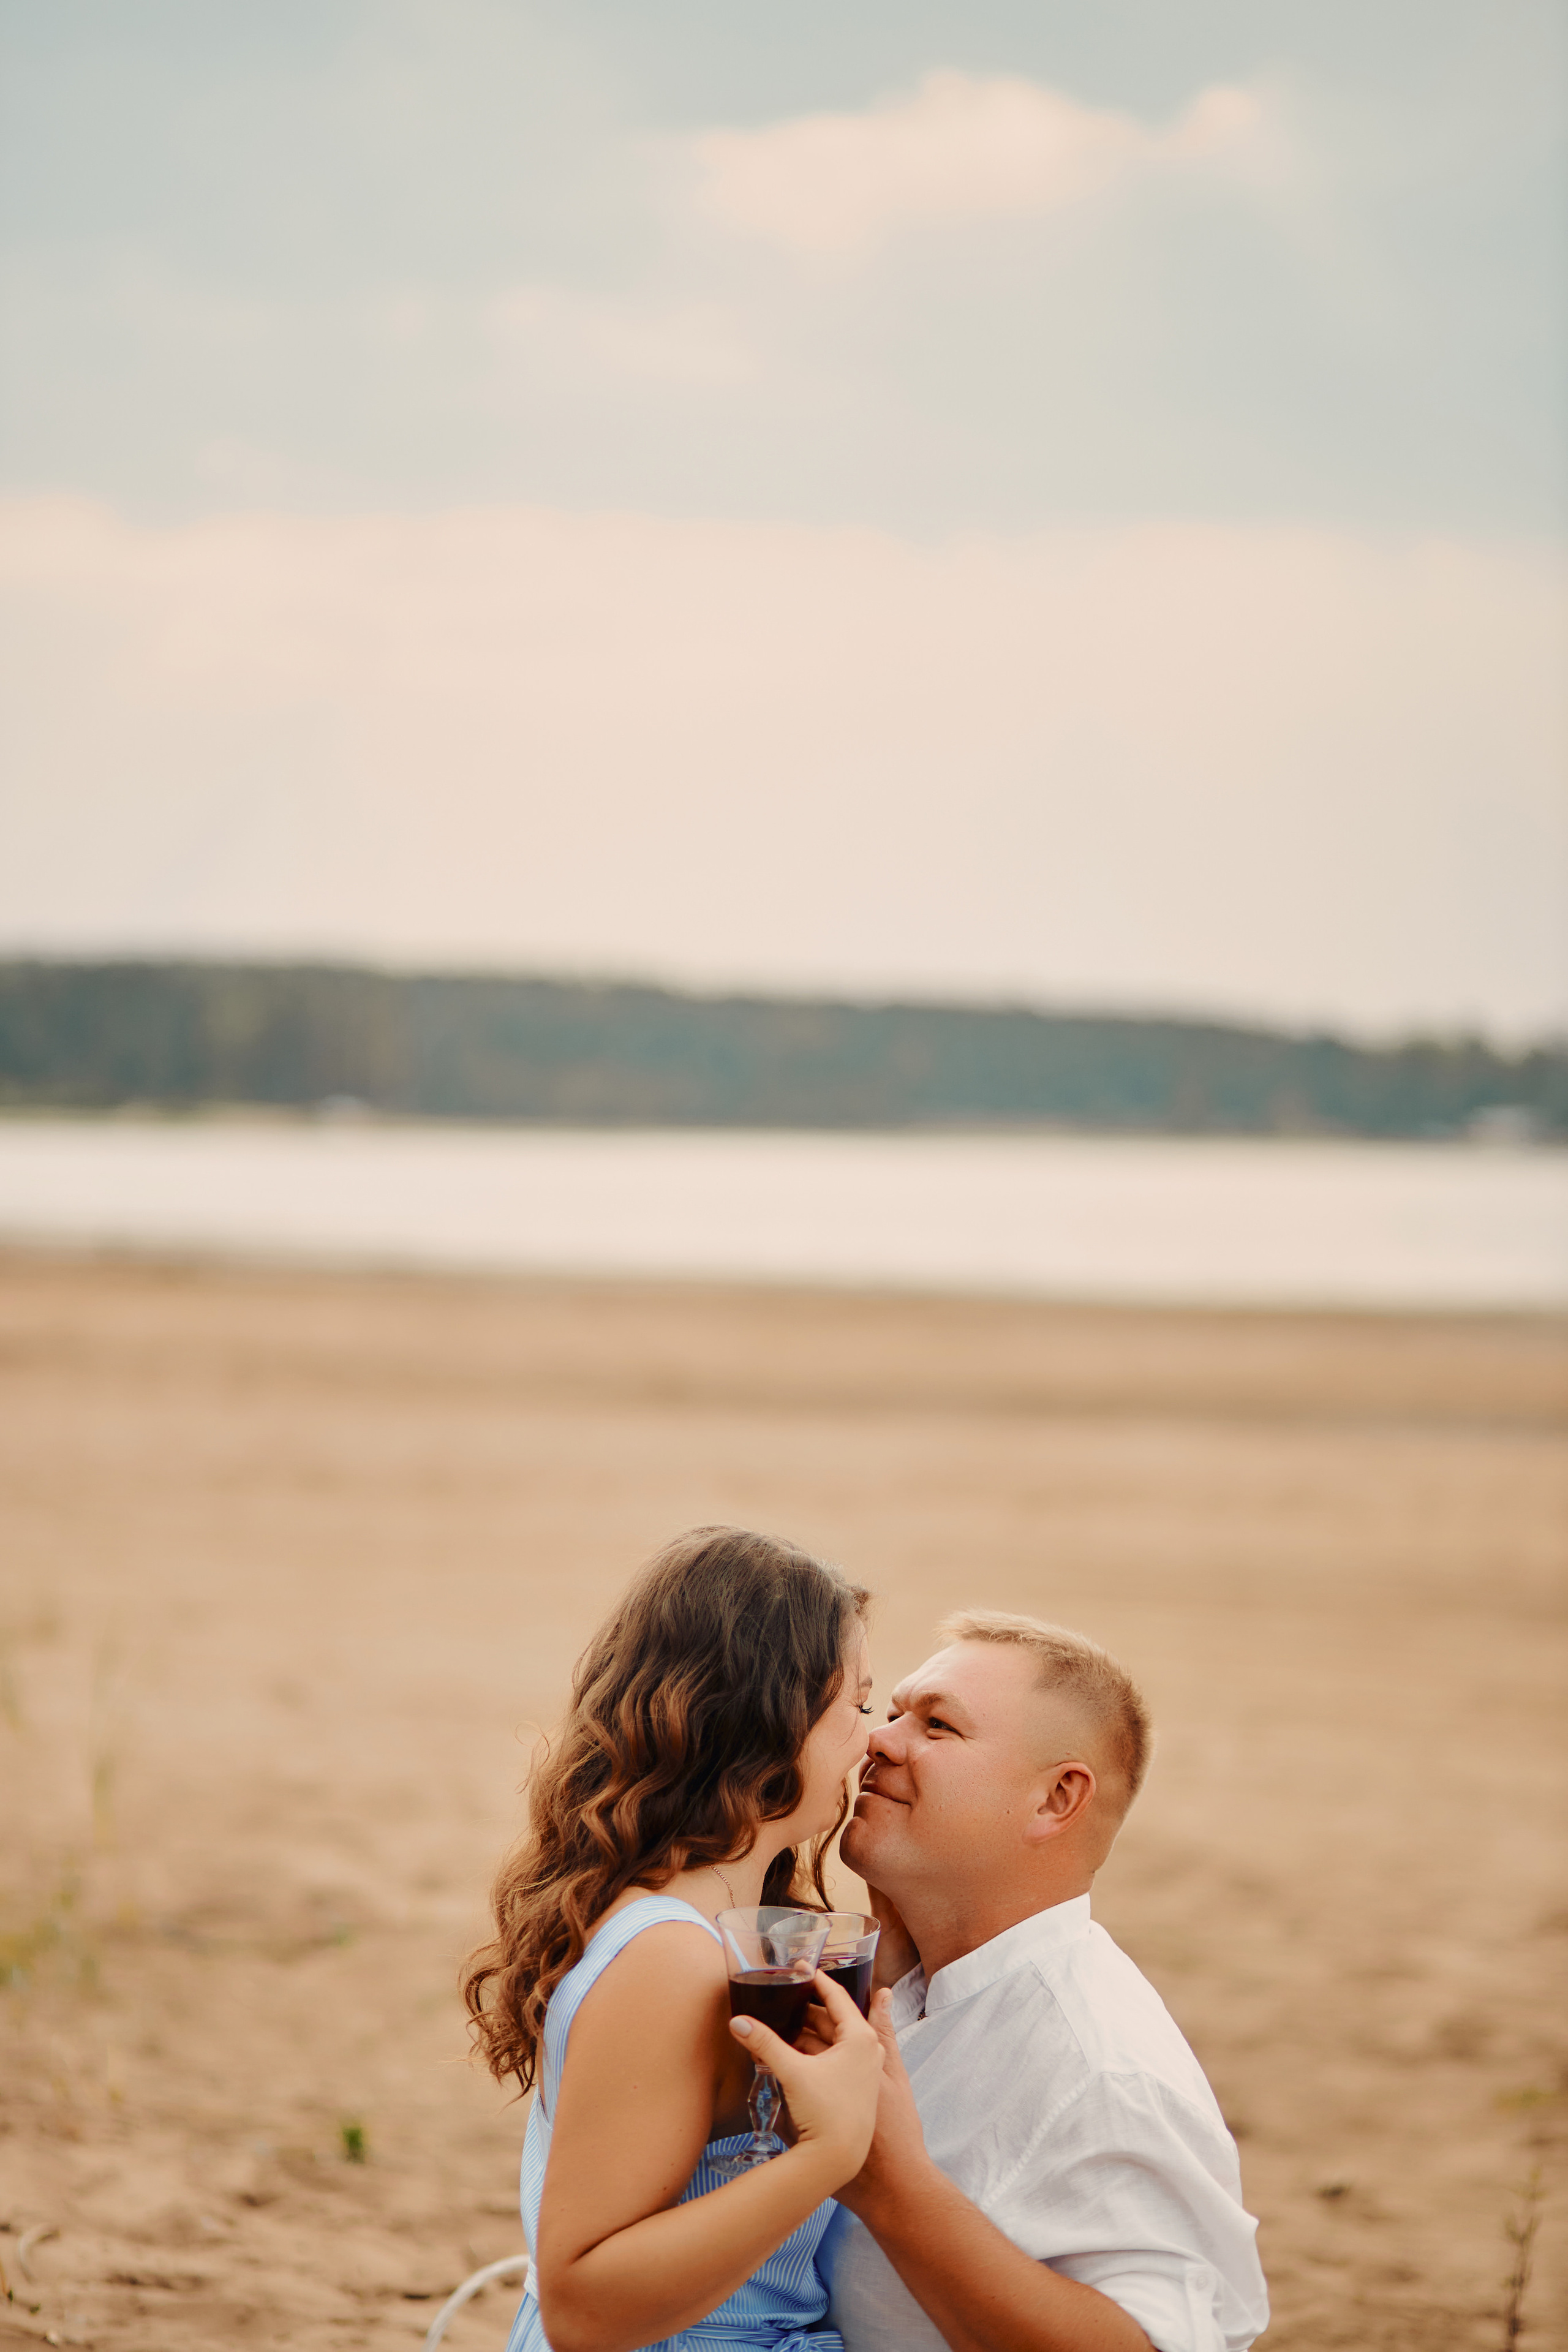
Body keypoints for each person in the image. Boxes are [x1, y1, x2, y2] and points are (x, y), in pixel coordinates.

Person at [740, 1610, 1270, 2352]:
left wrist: (894, 2190)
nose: (878, 1740)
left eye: (938, 1727)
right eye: (891, 1712)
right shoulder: (897, 1985)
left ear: (1057, 1799)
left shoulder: (1101, 2069)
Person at [462, 1526, 886, 2352]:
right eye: (858, 1706)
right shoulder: (669, 1958)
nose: (872, 1739)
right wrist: (828, 2153)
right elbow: (584, 2306)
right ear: (769, 1717)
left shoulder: (715, 1934)